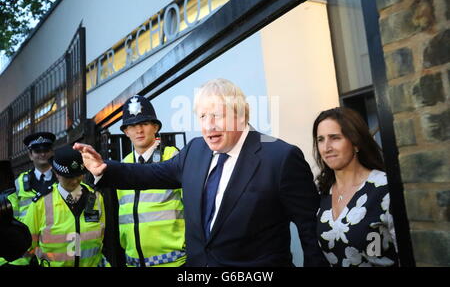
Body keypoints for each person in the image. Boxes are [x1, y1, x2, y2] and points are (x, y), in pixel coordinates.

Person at [75, 78, 327, 267]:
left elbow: (310, 230)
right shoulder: (196, 150)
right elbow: (150, 174)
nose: (208, 126)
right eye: (203, 116)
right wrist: (104, 169)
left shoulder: (280, 158)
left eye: (217, 115)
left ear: (241, 116)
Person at [101, 95, 185, 267]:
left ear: (155, 127)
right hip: (133, 263)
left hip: (174, 262)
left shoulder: (172, 157)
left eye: (144, 124)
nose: (138, 130)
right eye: (132, 126)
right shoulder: (123, 166)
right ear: (125, 132)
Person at [312, 107, 399, 267]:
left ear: (356, 143)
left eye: (335, 138)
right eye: (320, 140)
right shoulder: (323, 191)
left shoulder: (385, 188)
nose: (326, 148)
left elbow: (411, 255)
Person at [24, 145, 105, 267]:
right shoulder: (40, 204)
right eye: (68, 177)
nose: (74, 181)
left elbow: (104, 238)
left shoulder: (95, 198)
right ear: (56, 174)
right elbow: (27, 245)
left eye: (78, 175)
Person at [0, 132, 58, 266]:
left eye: (46, 149)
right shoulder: (19, 183)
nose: (42, 154)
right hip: (25, 253)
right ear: (30, 155)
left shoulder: (63, 180)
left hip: (53, 250)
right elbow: (11, 216)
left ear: (52, 152)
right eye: (37, 150)